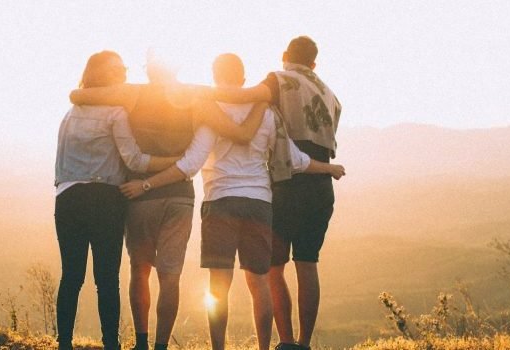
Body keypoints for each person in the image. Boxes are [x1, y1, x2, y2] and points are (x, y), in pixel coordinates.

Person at [119, 53, 345, 350]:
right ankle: (264, 347)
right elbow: (294, 160)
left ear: (215, 77)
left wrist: (147, 182)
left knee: (219, 285)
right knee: (259, 282)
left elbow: (191, 164)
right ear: (242, 77)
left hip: (220, 202)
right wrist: (328, 168)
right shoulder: (266, 112)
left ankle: (218, 348)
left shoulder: (211, 112)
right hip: (259, 203)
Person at [70, 55, 264, 350]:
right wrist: (264, 99)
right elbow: (239, 133)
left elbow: (78, 94)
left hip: (139, 196)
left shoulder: (133, 93)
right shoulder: (196, 97)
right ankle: (161, 344)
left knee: (140, 270)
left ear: (148, 69)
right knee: (170, 276)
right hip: (179, 197)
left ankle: (142, 343)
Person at [206, 36, 343, 350]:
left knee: (273, 267)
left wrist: (197, 95)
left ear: (285, 56)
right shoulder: (331, 94)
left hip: (285, 183)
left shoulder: (278, 80)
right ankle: (304, 343)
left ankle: (285, 341)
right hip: (320, 184)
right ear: (314, 63)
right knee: (308, 264)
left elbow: (244, 96)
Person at [54, 50, 179, 350]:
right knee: (107, 278)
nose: (123, 72)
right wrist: (175, 162)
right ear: (100, 74)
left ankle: (64, 343)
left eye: (123, 67)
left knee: (71, 275)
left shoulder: (69, 114)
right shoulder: (115, 113)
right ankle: (111, 343)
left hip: (67, 198)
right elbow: (134, 160)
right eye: (116, 69)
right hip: (104, 199)